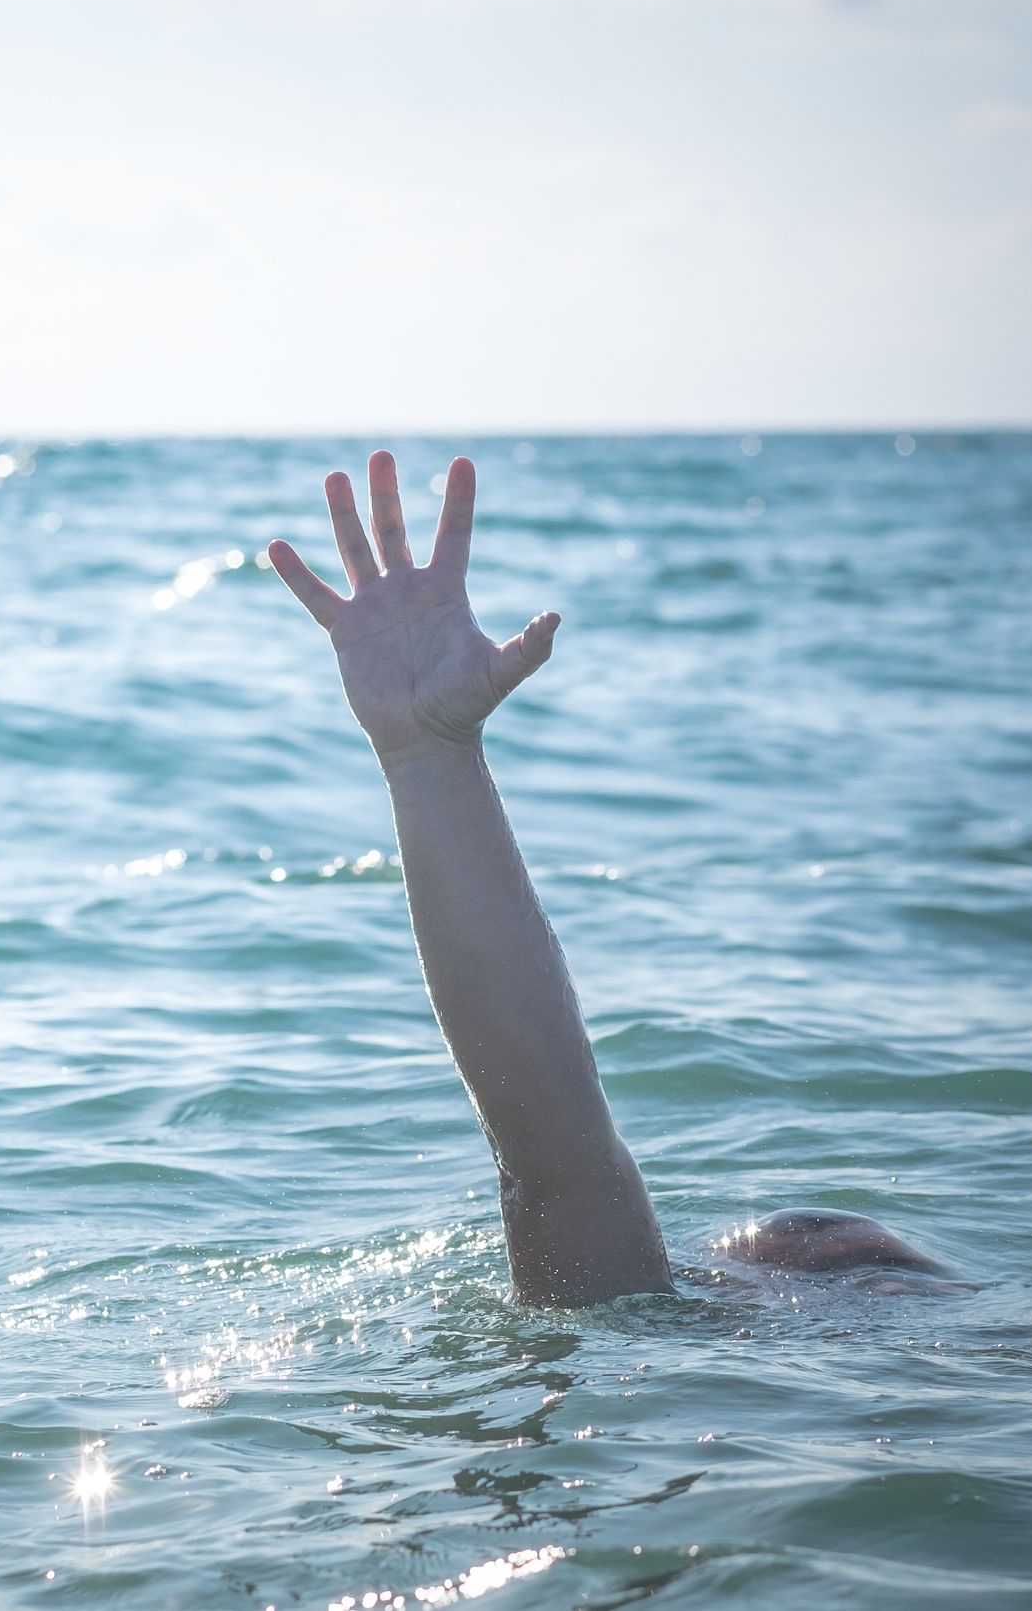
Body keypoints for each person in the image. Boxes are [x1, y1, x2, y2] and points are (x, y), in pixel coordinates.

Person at [268, 451, 946, 1305]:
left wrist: (430, 762)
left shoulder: (671, 1337)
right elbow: (554, 1173)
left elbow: (556, 1165)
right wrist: (429, 759)